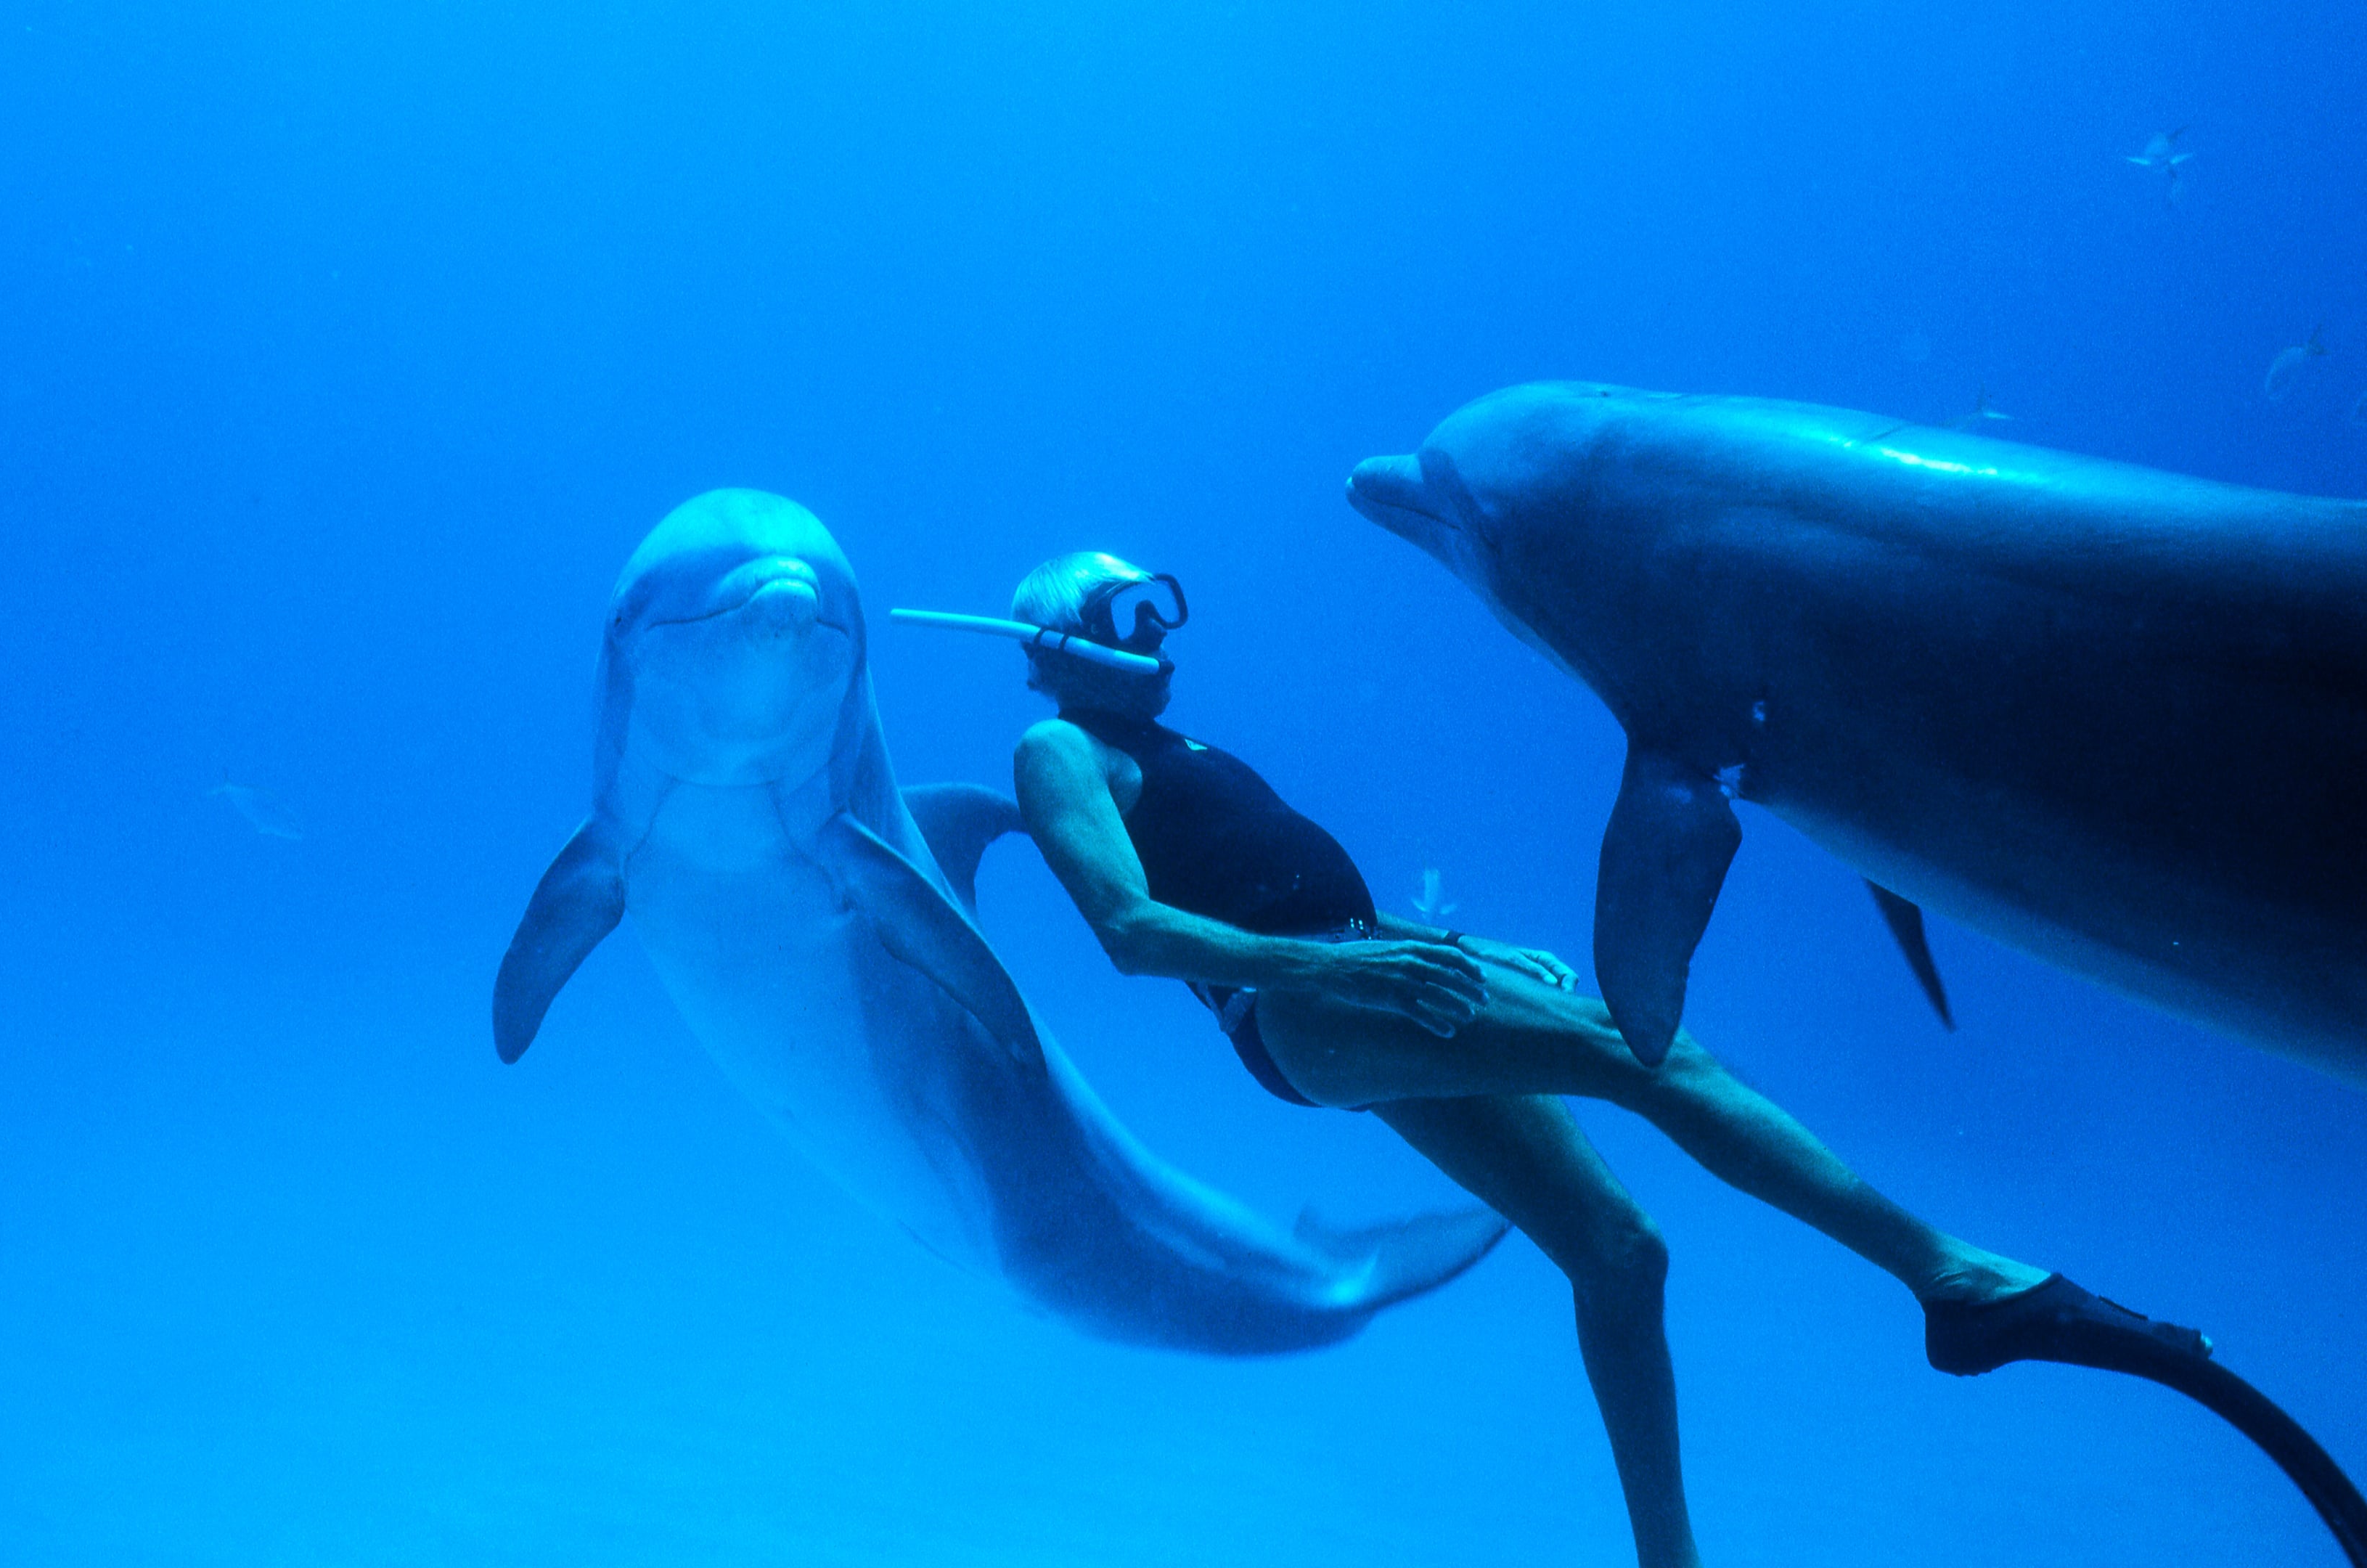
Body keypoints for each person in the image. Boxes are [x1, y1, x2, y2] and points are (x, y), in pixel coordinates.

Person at [947, 551, 2216, 1568]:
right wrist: (1344, 968)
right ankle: (1955, 1280)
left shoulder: (1185, 752)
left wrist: (1445, 946)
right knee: (1652, 1055)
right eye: (1132, 618)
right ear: (1064, 642)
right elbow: (1132, 933)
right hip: (1303, 1019)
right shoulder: (1060, 752)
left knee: (1621, 1251)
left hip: (1365, 983)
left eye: (1162, 616)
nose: (1163, 640)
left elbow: (1288, 896)